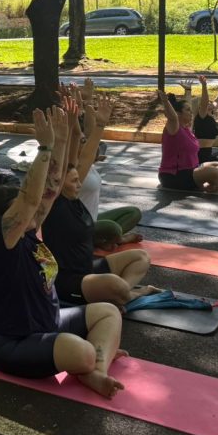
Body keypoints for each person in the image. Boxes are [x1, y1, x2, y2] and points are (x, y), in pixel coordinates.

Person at [0, 104, 126, 399]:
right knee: (82, 351)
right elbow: (30, 198)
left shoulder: (29, 232)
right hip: (11, 341)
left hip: (50, 321)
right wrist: (44, 148)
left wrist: (59, 142)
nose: (35, 213)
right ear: (5, 219)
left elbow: (49, 191)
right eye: (23, 212)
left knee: (108, 312)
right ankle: (89, 364)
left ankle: (95, 372)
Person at [41, 89, 156, 308]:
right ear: (58, 183)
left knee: (141, 257)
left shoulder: (74, 198)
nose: (79, 184)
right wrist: (63, 135)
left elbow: (85, 155)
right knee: (114, 283)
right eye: (73, 181)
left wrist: (100, 124)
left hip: (89, 270)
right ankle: (128, 294)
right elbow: (70, 156)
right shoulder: (55, 203)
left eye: (79, 180)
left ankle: (123, 294)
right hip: (68, 282)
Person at [70, 80, 142, 251]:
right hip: (79, 227)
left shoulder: (89, 162)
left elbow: (88, 131)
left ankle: (104, 239)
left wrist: (88, 102)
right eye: (82, 141)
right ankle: (115, 238)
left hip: (93, 221)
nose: (87, 142)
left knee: (134, 213)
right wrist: (72, 114)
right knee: (113, 228)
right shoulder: (75, 168)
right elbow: (77, 134)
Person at [157, 89, 218, 193]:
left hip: (193, 171)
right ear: (178, 114)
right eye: (188, 110)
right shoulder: (173, 128)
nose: (191, 112)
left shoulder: (187, 129)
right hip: (174, 175)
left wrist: (188, 91)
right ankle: (215, 185)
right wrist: (165, 101)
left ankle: (212, 185)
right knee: (215, 173)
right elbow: (172, 117)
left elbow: (186, 104)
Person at [182, 75, 218, 168]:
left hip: (208, 153)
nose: (210, 103)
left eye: (210, 103)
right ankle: (202, 164)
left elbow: (217, 101)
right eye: (207, 103)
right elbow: (205, 101)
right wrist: (204, 85)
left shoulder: (210, 114)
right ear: (200, 107)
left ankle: (210, 161)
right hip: (201, 155)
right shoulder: (202, 115)